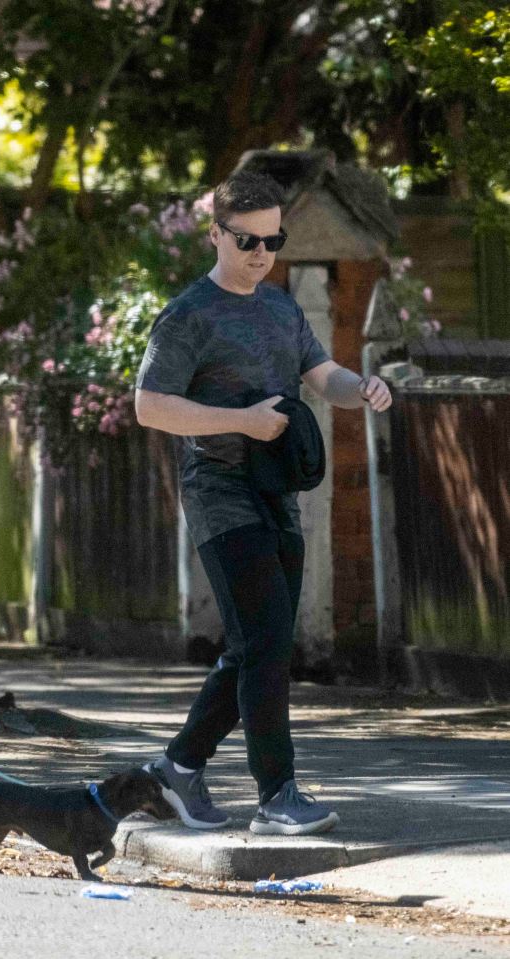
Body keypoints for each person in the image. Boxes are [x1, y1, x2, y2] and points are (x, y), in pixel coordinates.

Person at [135, 170, 391, 836]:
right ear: (215, 233)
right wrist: (240, 422)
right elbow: (149, 405)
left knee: (254, 644)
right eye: (246, 240)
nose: (260, 253)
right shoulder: (187, 313)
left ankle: (178, 767)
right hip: (219, 494)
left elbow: (320, 376)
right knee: (269, 640)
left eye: (271, 240)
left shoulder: (280, 307)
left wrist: (359, 386)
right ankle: (276, 795)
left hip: (277, 493)